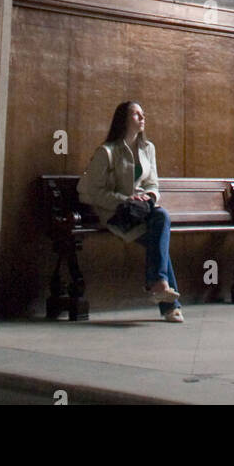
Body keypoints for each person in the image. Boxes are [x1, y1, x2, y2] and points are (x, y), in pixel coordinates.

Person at [77, 101, 183, 322]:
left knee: (161, 217)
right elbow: (94, 192)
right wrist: (126, 200)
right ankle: (169, 304)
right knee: (158, 239)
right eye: (136, 115)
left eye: (143, 114)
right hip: (118, 214)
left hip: (141, 211)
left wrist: (149, 197)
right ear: (123, 120)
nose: (142, 118)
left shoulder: (148, 149)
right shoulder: (106, 152)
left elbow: (153, 183)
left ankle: (159, 284)